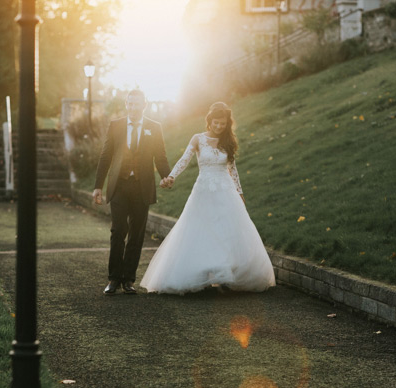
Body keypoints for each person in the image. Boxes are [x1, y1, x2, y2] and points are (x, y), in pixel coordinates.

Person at [140, 102, 275, 294]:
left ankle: (226, 275)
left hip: (226, 191)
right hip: (203, 191)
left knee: (226, 231)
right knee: (201, 230)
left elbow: (232, 169)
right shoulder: (198, 139)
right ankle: (202, 275)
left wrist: (240, 192)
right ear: (209, 121)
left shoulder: (228, 141)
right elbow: (184, 160)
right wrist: (171, 177)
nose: (219, 126)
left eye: (223, 123)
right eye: (216, 123)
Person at [93, 89, 171, 295]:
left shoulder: (154, 127)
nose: (133, 107)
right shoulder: (116, 125)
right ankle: (113, 279)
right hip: (119, 185)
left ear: (144, 105)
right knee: (118, 231)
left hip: (142, 186)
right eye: (130, 103)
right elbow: (105, 156)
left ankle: (128, 279)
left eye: (137, 104)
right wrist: (97, 186)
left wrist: (166, 175)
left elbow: (160, 157)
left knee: (136, 234)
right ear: (126, 104)